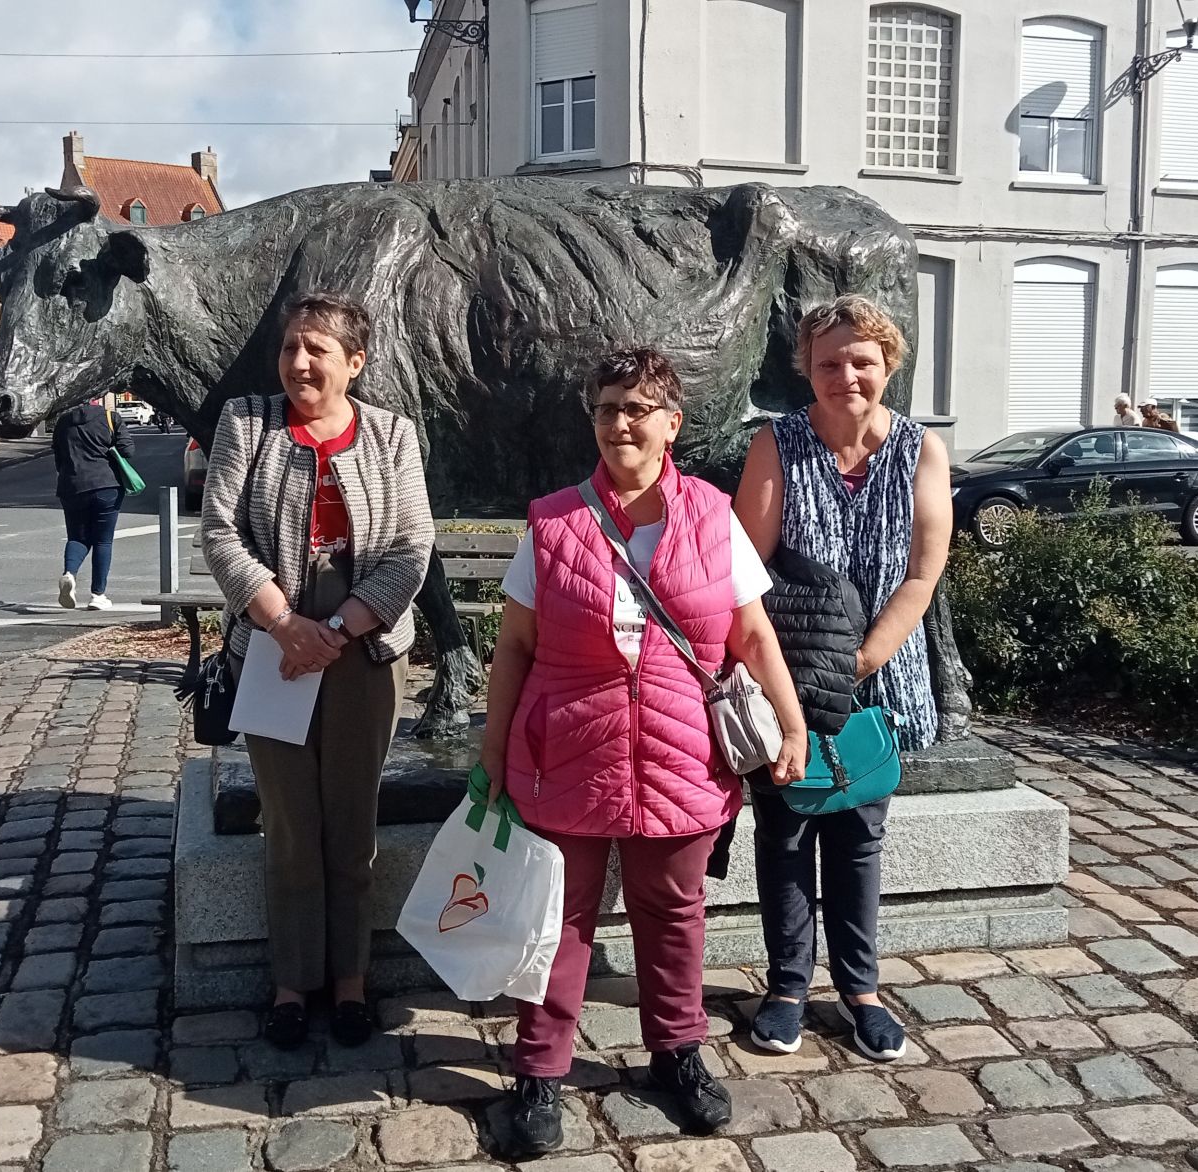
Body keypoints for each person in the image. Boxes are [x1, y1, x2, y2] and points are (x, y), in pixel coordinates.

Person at [481, 349, 808, 1155]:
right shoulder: (553, 520)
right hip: (568, 750)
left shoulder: (710, 513)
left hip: (680, 752)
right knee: (558, 921)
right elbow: (515, 647)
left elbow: (752, 634)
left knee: (674, 915)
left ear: (672, 423)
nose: (620, 422)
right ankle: (539, 1071)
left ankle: (677, 1053)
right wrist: (495, 752)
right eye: (606, 408)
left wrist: (792, 726)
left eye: (638, 407)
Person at [201, 292, 434, 1050]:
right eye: (291, 347)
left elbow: (411, 546)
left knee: (352, 823)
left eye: (318, 350)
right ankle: (293, 983)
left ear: (354, 364)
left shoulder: (394, 435)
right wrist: (284, 625)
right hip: (273, 649)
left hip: (362, 651)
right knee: (292, 826)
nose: (299, 362)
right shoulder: (248, 423)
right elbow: (221, 535)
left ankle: (352, 982)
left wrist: (335, 628)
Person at [734, 293, 952, 1063]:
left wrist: (859, 661)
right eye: (829, 362)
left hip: (879, 682)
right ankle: (788, 985)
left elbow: (923, 574)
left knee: (860, 837)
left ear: (887, 364)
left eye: (862, 360)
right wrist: (794, 681)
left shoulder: (922, 451)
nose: (846, 375)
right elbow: (745, 570)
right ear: (808, 370)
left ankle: (861, 988)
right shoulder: (778, 444)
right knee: (786, 831)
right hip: (786, 677)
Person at [52, 390, 133, 611]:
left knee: (77, 537)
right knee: (102, 541)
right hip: (106, 485)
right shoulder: (110, 418)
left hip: (72, 487)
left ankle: (69, 574)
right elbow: (128, 450)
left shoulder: (63, 422)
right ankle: (98, 595)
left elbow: (58, 457)